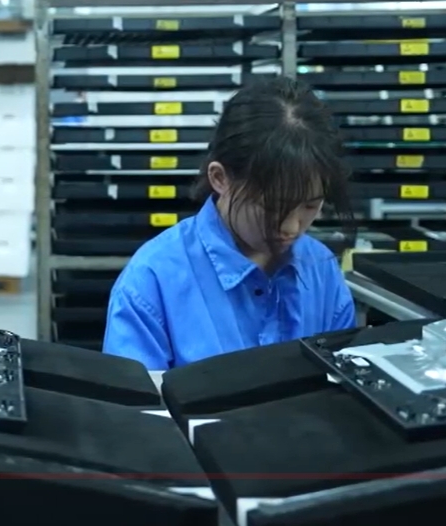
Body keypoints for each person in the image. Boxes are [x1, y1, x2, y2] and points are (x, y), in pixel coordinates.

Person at [102, 76, 357, 371]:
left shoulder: (321, 268)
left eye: (310, 206)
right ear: (220, 178)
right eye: (272, 207)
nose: (291, 228)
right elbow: (135, 398)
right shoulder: (152, 280)